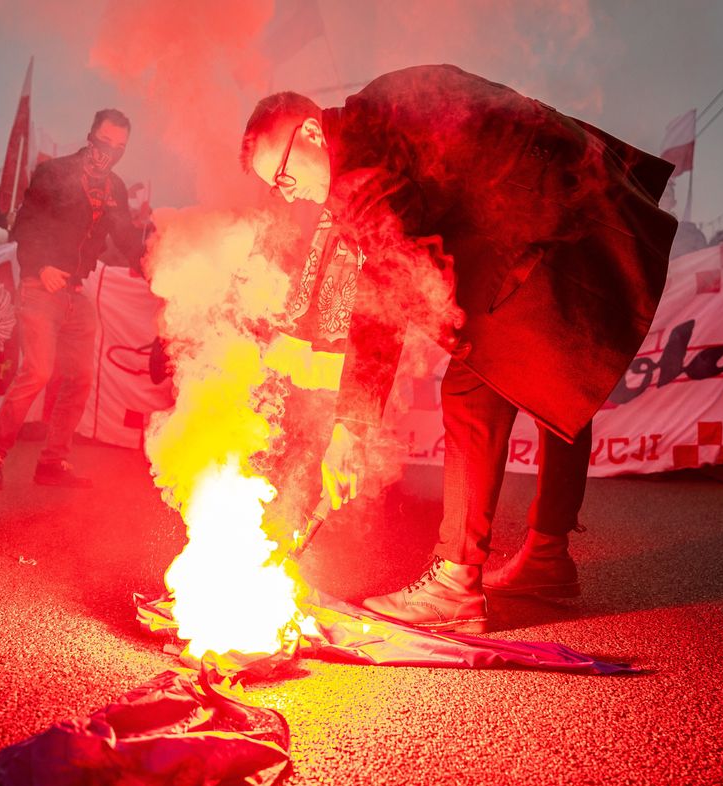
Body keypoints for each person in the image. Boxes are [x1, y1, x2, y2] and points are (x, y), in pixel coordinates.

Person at [240, 66, 677, 632]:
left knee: (473, 387)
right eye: (275, 189)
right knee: (555, 376)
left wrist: (351, 427)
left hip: (549, 220)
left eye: (281, 174)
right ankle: (547, 558)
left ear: (310, 133)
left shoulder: (362, 158)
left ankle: (455, 582)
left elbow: (384, 296)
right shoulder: (379, 109)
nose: (286, 193)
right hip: (577, 202)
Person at [0, 108, 144, 490]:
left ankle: (53, 462)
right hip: (41, 286)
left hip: (75, 291)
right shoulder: (55, 173)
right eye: (105, 141)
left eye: (120, 146)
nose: (110, 151)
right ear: (90, 135)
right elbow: (27, 224)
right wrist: (40, 267)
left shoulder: (115, 187)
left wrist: (156, 265)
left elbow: (127, 239)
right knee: (37, 370)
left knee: (80, 377)